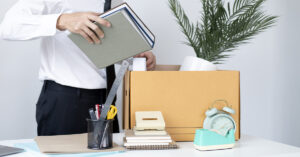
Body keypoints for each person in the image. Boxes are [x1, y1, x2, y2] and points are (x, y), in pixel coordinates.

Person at [0, 0, 156, 136]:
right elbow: (8, 26)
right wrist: (61, 20)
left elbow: (102, 47)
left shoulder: (114, 1)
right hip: (66, 103)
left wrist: (132, 55)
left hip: (107, 102)